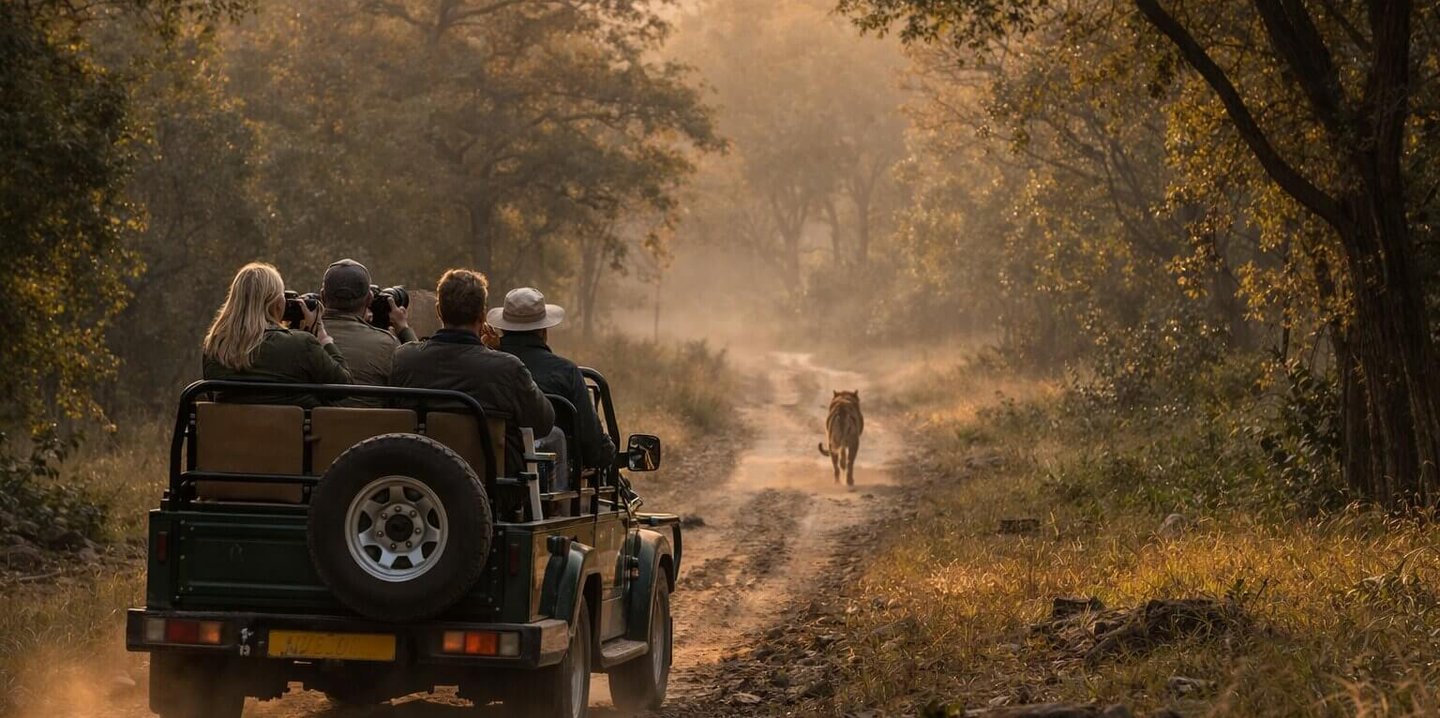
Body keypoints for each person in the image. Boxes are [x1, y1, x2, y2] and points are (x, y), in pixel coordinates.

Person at [390, 269, 555, 472]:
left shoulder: (404, 359)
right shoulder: (508, 368)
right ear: (483, 315)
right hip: (494, 489)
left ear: (438, 311)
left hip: (421, 484)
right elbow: (543, 423)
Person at [491, 287, 617, 489]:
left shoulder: (486, 368)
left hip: (488, 480)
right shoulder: (566, 372)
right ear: (543, 331)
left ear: (504, 328)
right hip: (549, 491)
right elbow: (591, 444)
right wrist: (607, 452)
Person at [202, 262, 352, 406]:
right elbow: (343, 387)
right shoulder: (301, 343)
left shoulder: (214, 346)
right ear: (278, 303)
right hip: (291, 431)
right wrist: (322, 336)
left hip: (232, 431)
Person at [318, 259, 416, 403]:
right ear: (369, 298)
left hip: (315, 425)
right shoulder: (388, 344)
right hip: (373, 425)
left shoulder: (303, 340)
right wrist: (403, 329)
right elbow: (417, 377)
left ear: (322, 296)